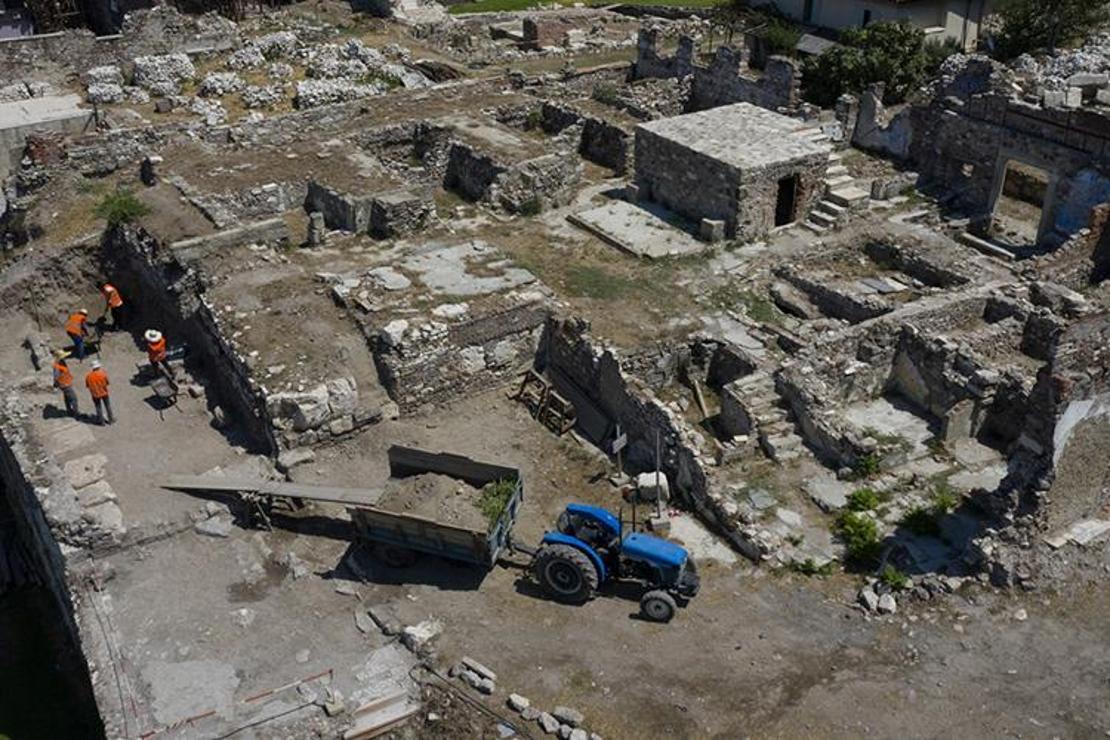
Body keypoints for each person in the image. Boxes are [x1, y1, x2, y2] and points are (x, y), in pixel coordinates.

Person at [85, 360, 114, 425]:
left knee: (98, 407)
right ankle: (111, 419)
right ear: (98, 367)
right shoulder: (103, 374)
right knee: (107, 406)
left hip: (95, 394)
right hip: (104, 392)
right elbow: (107, 383)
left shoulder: (88, 376)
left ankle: (101, 421)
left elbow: (87, 385)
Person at [52, 350, 78, 418]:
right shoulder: (57, 366)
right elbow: (56, 376)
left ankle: (69, 411)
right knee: (73, 398)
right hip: (65, 384)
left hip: (66, 382)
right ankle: (75, 414)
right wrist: (56, 385)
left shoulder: (61, 362)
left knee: (67, 398)